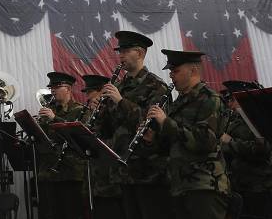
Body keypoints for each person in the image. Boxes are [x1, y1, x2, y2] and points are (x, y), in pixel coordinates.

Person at [97, 30, 172, 219]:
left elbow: (151, 124)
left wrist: (121, 101)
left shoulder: (156, 86)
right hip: (122, 171)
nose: (120, 55)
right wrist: (101, 110)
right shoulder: (119, 86)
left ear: (139, 53)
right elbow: (108, 129)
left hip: (148, 172)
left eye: (125, 50)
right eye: (119, 51)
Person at [148, 50, 228, 219]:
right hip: (179, 185)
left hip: (205, 186)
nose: (171, 76)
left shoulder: (210, 99)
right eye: (170, 72)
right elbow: (172, 143)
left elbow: (205, 142)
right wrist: (153, 136)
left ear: (193, 70)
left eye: (175, 71)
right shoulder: (178, 102)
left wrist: (166, 122)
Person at [35, 71, 85, 219]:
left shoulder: (80, 110)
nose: (53, 91)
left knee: (71, 213)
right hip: (48, 172)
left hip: (71, 173)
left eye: (57, 87)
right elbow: (42, 138)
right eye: (51, 88)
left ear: (68, 89)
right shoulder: (50, 110)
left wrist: (54, 118)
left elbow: (76, 136)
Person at [219, 80, 272, 219]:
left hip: (258, 184)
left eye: (232, 99)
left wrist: (230, 142)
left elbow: (263, 149)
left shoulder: (256, 120)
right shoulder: (234, 119)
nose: (229, 103)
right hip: (239, 183)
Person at [79, 74, 124, 219]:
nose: (88, 97)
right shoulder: (89, 111)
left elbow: (113, 136)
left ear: (101, 92)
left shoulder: (113, 109)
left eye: (90, 92)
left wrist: (101, 112)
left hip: (110, 178)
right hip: (94, 177)